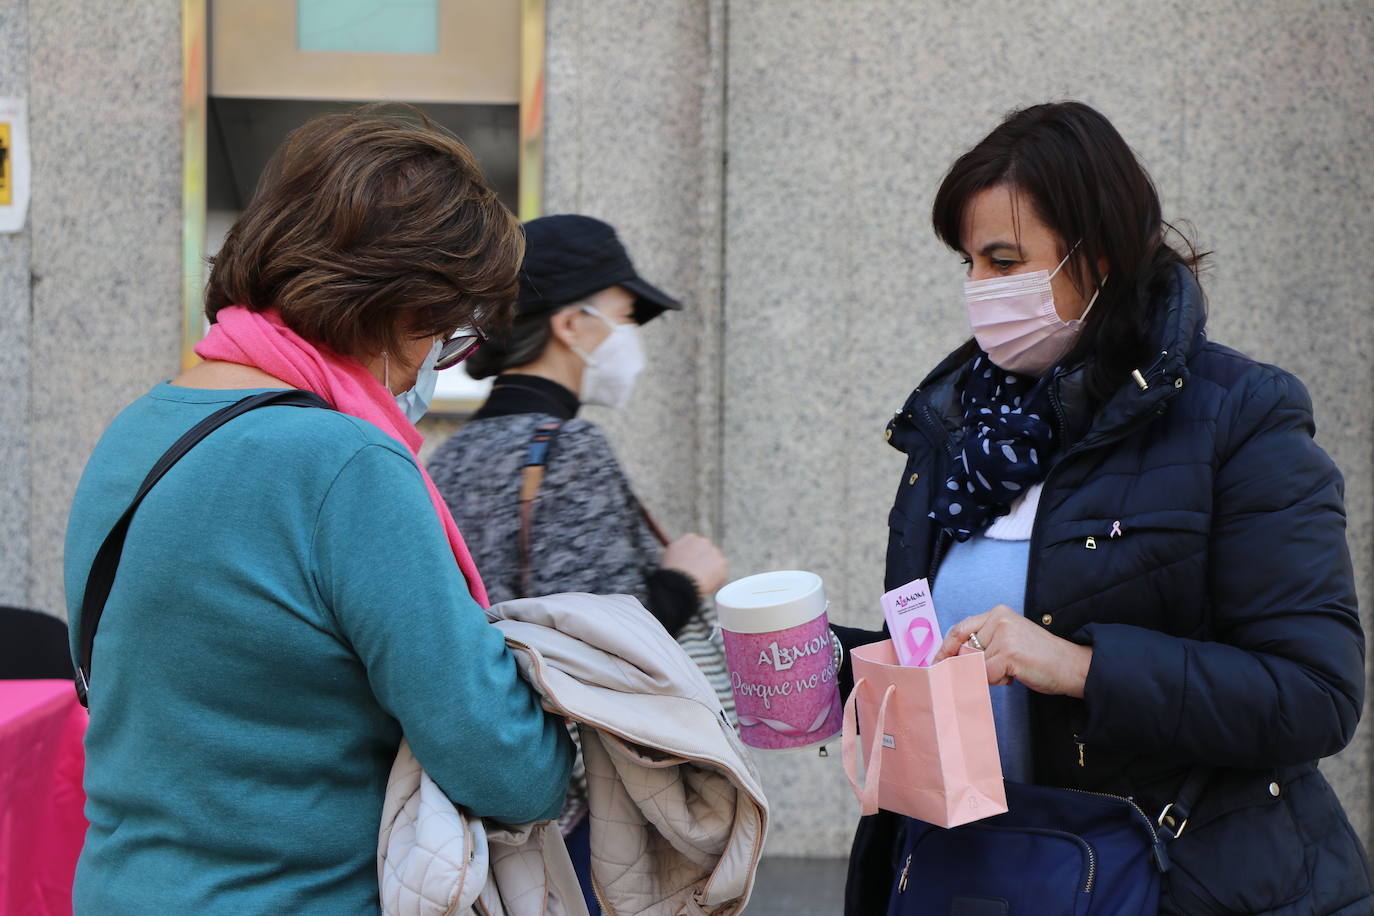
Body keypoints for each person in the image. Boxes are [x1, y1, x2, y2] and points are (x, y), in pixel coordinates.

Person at [837, 101, 1372, 915]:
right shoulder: (957, 437)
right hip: (977, 878)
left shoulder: (1241, 414)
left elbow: (1314, 694)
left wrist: (1077, 666)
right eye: (969, 262)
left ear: (1105, 255)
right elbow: (943, 656)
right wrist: (822, 664)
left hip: (1174, 883)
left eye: (1004, 259)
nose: (979, 288)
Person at [63, 109, 573, 915]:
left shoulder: (135, 430)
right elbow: (505, 765)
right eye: (449, 335)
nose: (436, 361)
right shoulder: (345, 465)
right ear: (408, 310)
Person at [427, 213, 731, 914]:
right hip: (581, 820)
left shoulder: (450, 458)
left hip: (488, 806)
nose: (630, 340)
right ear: (572, 323)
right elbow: (606, 654)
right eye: (624, 317)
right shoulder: (569, 451)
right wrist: (685, 579)